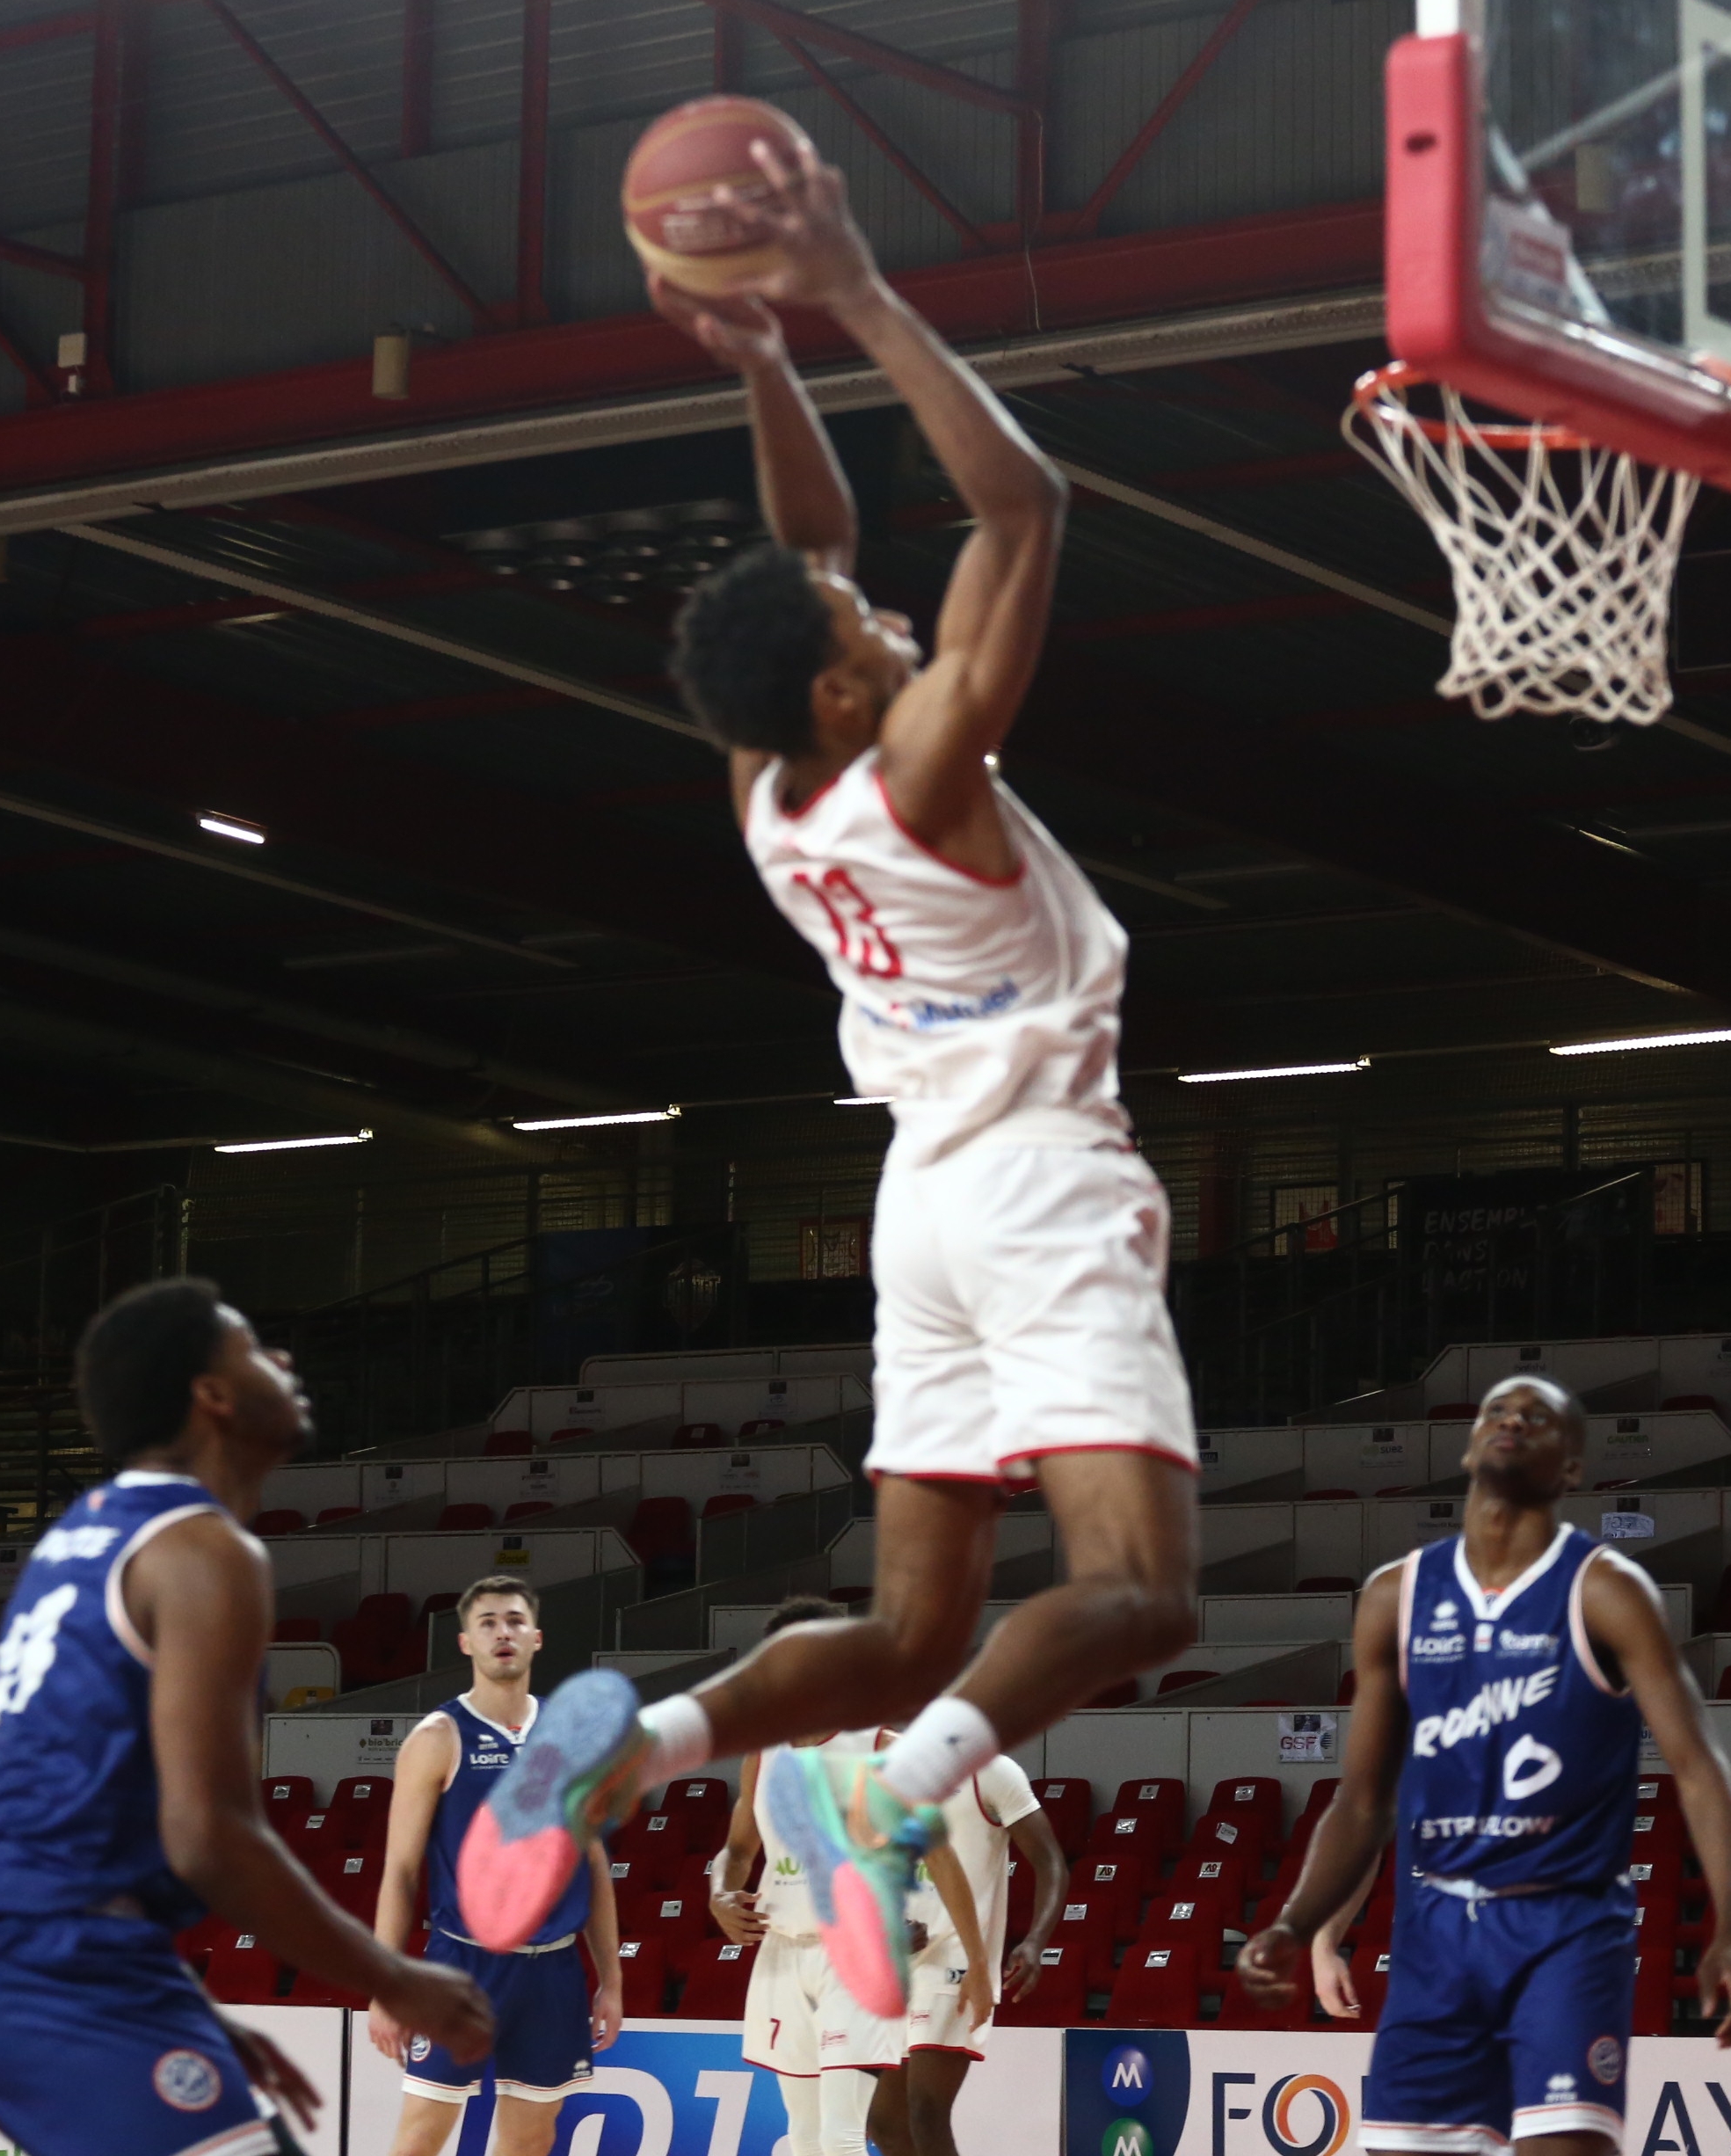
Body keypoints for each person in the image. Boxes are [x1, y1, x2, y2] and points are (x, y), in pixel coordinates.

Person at [465, 120, 1200, 2027]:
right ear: (846, 695)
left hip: (921, 1203)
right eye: (874, 634)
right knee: (1137, 1593)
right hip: (1037, 1176)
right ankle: (897, 1784)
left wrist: (768, 360)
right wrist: (855, 285)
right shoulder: (927, 776)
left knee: (904, 1626)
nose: (889, 617)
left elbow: (805, 553)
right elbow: (1025, 511)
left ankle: (643, 1746)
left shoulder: (771, 792)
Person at [0, 1278, 491, 2156]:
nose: (285, 1360)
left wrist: (188, 2012)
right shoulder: (204, 1549)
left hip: (7, 1956)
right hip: (42, 1969)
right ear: (213, 1396)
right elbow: (209, 1834)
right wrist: (398, 1977)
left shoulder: (80, 1532)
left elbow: (69, 1813)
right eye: (257, 1347)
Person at [1236, 1377, 1731, 2156]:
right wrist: (1295, 1921)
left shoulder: (1607, 1592)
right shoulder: (1395, 1598)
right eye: (1497, 1411)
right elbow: (1362, 1800)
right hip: (1437, 1930)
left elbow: (1700, 1769)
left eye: (1539, 1417)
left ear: (1574, 1470)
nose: (1513, 1420)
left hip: (1567, 1923)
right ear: (1468, 1445)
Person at [707, 1600, 987, 2156]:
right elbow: (737, 1851)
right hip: (782, 1954)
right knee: (804, 2136)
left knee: (840, 2138)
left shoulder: (882, 1749)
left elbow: (943, 1862)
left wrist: (977, 1965)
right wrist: (719, 1895)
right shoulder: (761, 1756)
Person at [367, 1577, 620, 2156]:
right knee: (421, 2137)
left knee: (531, 2140)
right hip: (462, 1963)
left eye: (513, 1620)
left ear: (536, 1638)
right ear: (465, 1643)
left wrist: (612, 1977)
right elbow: (401, 1870)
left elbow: (594, 1862)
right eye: (487, 1622)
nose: (502, 1632)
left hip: (553, 1970)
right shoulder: (438, 1737)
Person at [869, 1704, 1067, 2156]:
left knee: (925, 2110)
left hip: (960, 1959)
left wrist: (1035, 1941)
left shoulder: (994, 1773)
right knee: (884, 2122)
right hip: (901, 1960)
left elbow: (1050, 1861)